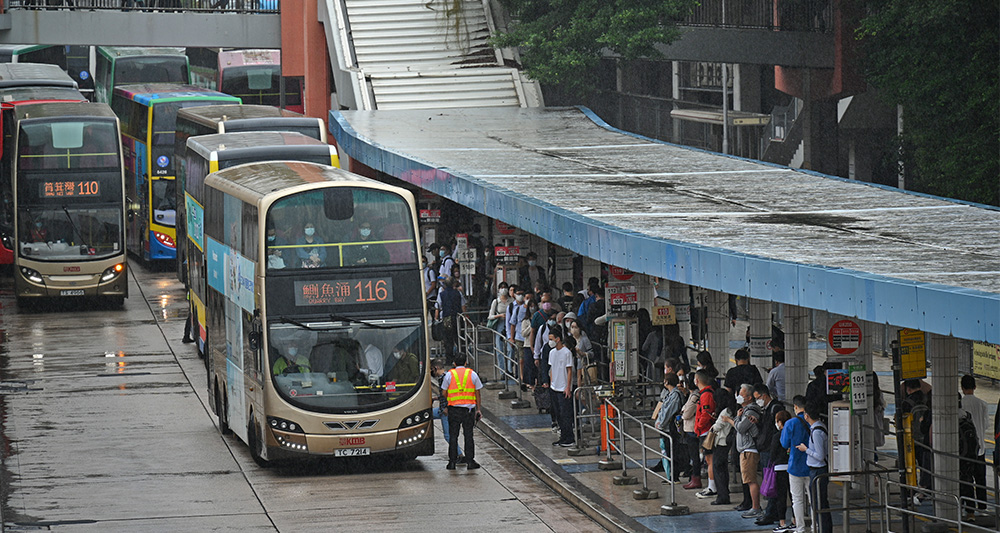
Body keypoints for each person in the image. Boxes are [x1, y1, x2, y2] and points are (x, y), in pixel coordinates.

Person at [725, 383, 764, 519]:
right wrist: (737, 416)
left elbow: (741, 428)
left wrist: (730, 420)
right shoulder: (744, 410)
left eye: (741, 395)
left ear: (748, 397)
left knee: (751, 479)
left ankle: (756, 507)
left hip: (749, 450)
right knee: (748, 479)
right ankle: (754, 506)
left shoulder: (751, 411)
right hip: (744, 449)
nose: (738, 397)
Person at [442, 354, 483, 470]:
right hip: (468, 411)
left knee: (453, 436)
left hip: (454, 410)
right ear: (466, 362)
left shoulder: (449, 375)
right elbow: (477, 393)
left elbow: (444, 392)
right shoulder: (473, 374)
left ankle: (452, 462)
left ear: (454, 363)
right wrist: (478, 409)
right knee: (468, 435)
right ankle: (470, 462)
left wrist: (450, 401)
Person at [753, 383, 786, 526]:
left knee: (772, 483)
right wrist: (758, 422)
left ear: (764, 395)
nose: (757, 401)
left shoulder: (775, 407)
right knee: (771, 481)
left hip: (770, 450)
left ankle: (771, 513)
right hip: (765, 448)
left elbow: (775, 431)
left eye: (758, 398)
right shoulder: (766, 409)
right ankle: (772, 512)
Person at [799, 403, 831, 533]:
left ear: (807, 415)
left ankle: (824, 529)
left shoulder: (817, 431)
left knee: (819, 504)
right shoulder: (818, 427)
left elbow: (819, 455)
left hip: (818, 470)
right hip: (817, 470)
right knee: (820, 503)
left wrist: (806, 450)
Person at [781, 395, 811, 533]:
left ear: (795, 407)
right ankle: (816, 525)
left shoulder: (791, 423)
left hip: (795, 466)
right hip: (812, 466)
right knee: (814, 499)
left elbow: (784, 443)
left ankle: (800, 528)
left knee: (797, 500)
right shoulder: (813, 421)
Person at [960, 374, 988, 515]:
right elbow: (987, 425)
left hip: (966, 449)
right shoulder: (983, 404)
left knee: (967, 478)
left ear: (962, 388)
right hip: (981, 447)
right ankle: (982, 507)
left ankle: (969, 508)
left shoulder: (961, 404)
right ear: (975, 387)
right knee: (981, 478)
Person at [684, 369, 717, 490]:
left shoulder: (706, 395)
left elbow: (706, 414)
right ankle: (711, 485)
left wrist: (698, 426)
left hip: (706, 431)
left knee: (709, 460)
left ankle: (712, 486)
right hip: (703, 430)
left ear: (696, 380)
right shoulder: (705, 393)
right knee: (708, 459)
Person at [707, 386, 737, 505]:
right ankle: (724, 494)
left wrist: (712, 428)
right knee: (723, 469)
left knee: (718, 469)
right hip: (726, 442)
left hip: (721, 442)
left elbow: (718, 426)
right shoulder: (731, 409)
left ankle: (722, 496)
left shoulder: (725, 412)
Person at [430, 358, 462, 463]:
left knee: (448, 435)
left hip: (445, 410)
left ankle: (459, 454)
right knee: (427, 414)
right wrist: (437, 398)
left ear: (436, 368)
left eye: (432, 369)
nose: (431, 372)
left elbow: (450, 394)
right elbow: (443, 395)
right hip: (442, 409)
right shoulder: (444, 377)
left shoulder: (445, 378)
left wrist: (447, 407)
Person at [655, 372, 686, 480]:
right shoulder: (670, 394)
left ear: (667, 382)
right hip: (668, 427)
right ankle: (671, 475)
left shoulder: (675, 396)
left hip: (671, 428)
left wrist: (660, 423)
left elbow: (668, 412)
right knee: (668, 451)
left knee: (673, 451)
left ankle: (675, 475)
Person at [549, 328, 576, 447]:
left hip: (563, 387)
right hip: (554, 387)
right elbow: (551, 369)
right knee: (558, 413)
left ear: (558, 339)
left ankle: (569, 437)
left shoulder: (566, 353)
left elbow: (569, 370)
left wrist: (567, 387)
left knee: (565, 413)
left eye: (551, 339)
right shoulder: (552, 353)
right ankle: (563, 437)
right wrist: (551, 383)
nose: (550, 342)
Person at [768, 409, 793, 532]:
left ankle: (782, 523)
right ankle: (794, 521)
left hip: (779, 468)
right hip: (792, 467)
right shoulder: (793, 433)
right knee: (794, 496)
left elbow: (772, 454)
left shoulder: (777, 436)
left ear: (780, 422)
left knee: (781, 497)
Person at [507, 286, 531, 390]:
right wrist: (511, 338)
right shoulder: (515, 308)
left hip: (530, 339)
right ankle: (522, 378)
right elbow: (511, 324)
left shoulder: (532, 309)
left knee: (527, 360)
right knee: (520, 359)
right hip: (519, 337)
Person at [435, 277, 463, 364]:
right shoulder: (458, 293)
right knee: (458, 338)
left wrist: (436, 318)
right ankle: (461, 357)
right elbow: (463, 305)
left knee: (448, 339)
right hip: (457, 317)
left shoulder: (442, 294)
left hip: (447, 318)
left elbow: (438, 306)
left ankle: (449, 359)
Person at [487, 282, 511, 375]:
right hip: (499, 326)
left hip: (509, 326)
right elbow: (490, 316)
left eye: (505, 287)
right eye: (501, 287)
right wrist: (499, 315)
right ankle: (502, 371)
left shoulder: (511, 301)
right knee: (499, 349)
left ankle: (509, 368)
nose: (503, 289)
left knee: (510, 349)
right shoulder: (496, 302)